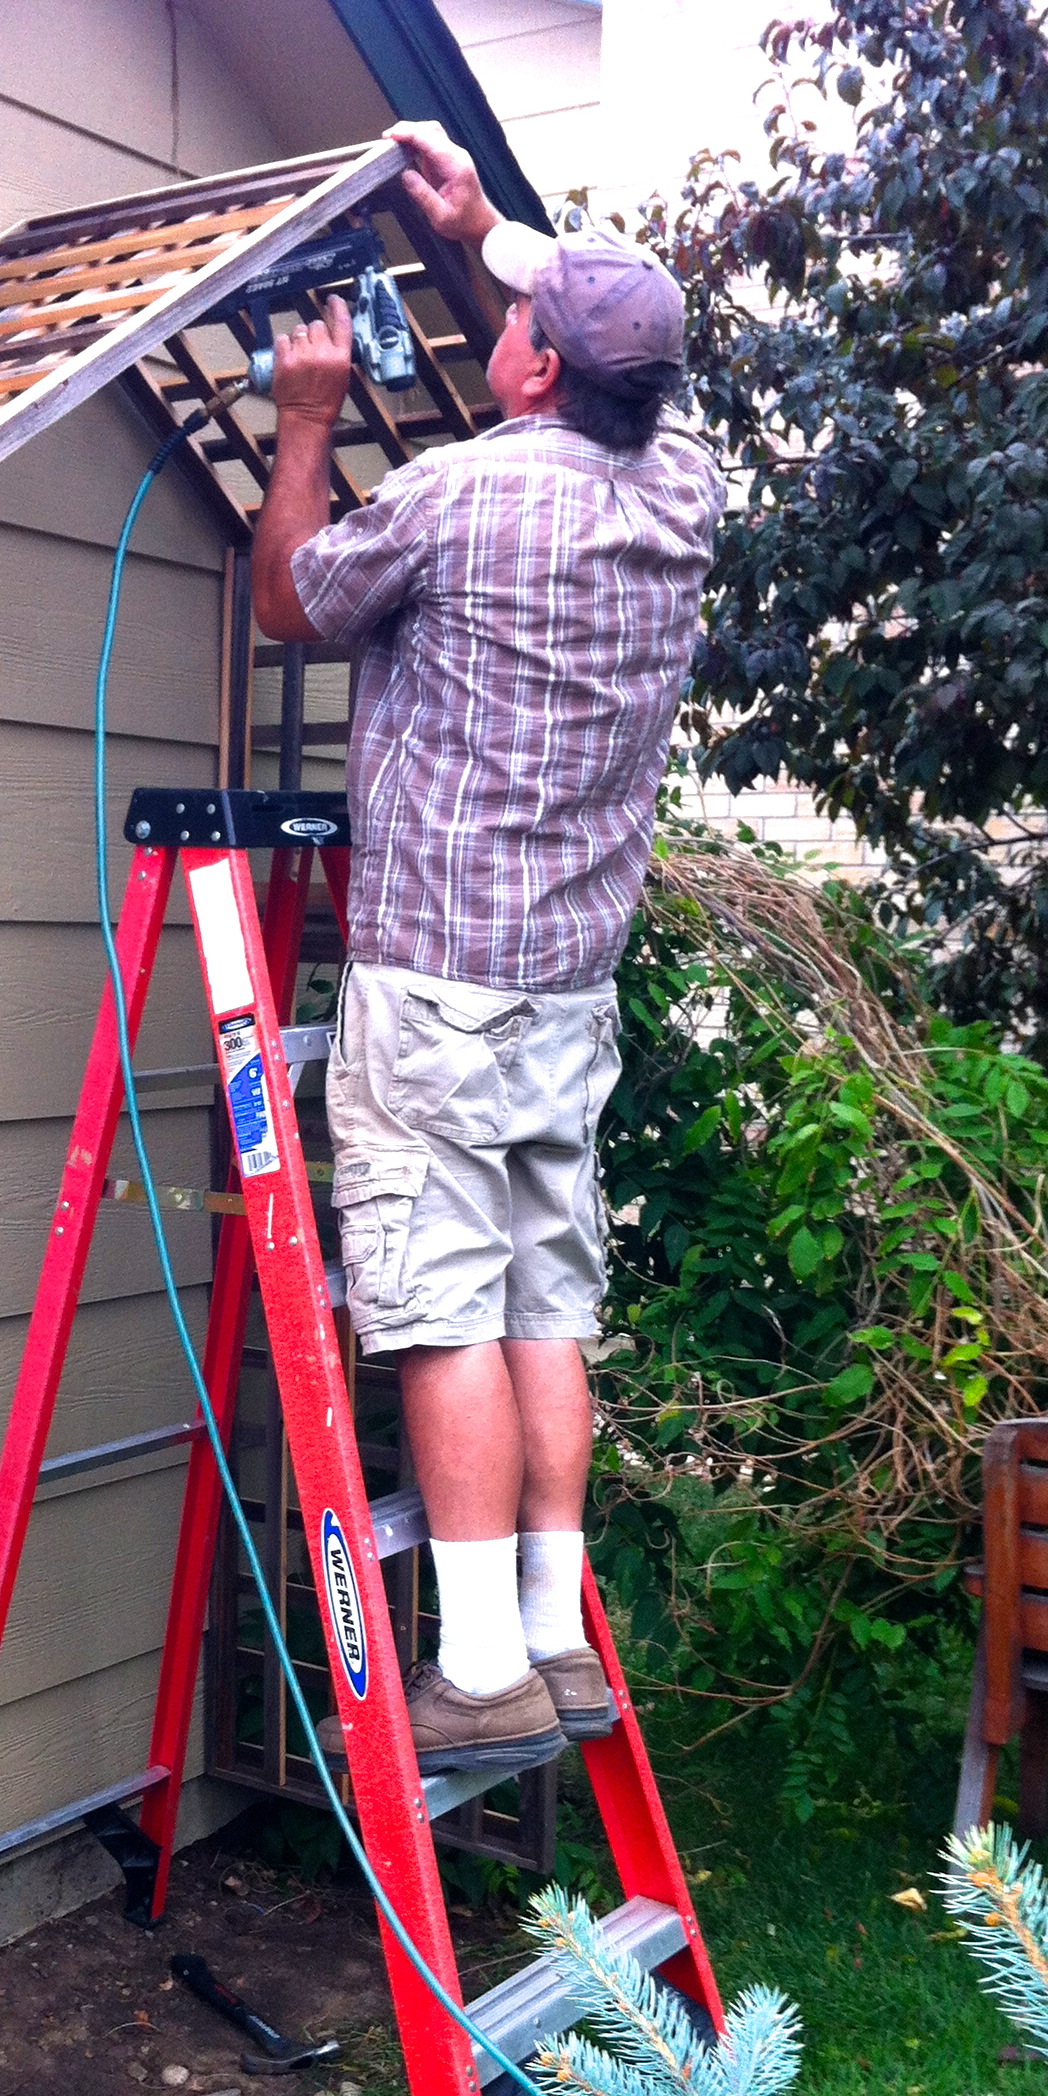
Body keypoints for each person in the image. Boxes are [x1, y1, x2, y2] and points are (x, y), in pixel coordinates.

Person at [251, 121, 723, 1777]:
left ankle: (470, 1670)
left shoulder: (450, 499)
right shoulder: (681, 487)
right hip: (563, 992)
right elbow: (605, 360)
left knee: (444, 1310)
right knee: (543, 1300)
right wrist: (481, 238)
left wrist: (305, 421)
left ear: (525, 371)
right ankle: (546, 1628)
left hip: (438, 979)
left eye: (509, 317)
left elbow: (295, 600)